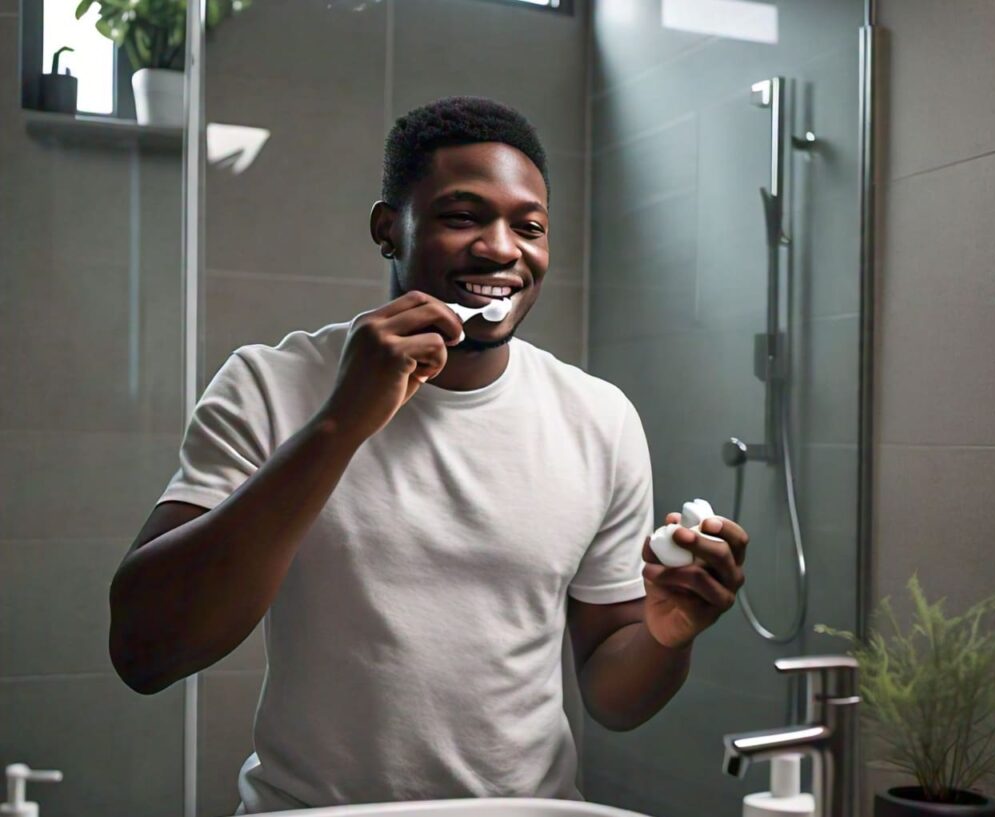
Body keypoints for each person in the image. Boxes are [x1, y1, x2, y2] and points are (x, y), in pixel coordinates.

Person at [109, 96, 749, 814]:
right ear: (390, 229)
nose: (502, 249)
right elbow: (146, 650)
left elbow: (613, 693)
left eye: (529, 226)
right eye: (462, 216)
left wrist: (666, 636)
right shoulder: (271, 383)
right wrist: (341, 421)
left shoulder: (599, 418)